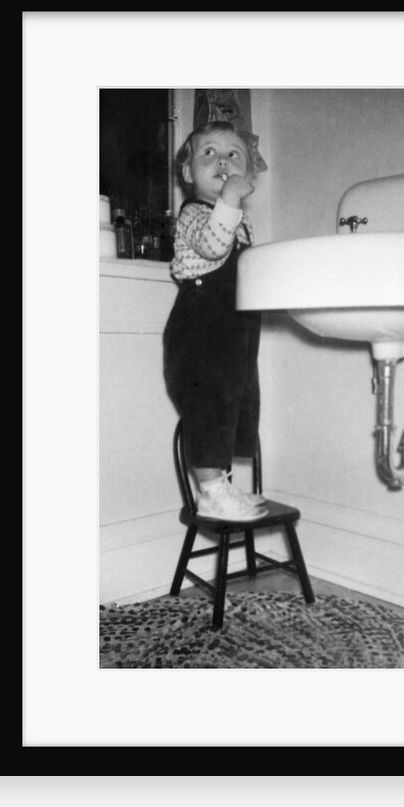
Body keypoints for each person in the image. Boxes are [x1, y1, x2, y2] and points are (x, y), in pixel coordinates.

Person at [163, 121, 267, 521]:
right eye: (209, 152)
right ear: (188, 174)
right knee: (206, 403)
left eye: (233, 154)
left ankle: (221, 485)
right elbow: (212, 245)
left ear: (248, 173)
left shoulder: (240, 222)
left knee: (232, 403)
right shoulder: (193, 214)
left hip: (233, 330)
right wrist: (229, 200)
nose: (222, 159)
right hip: (200, 330)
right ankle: (210, 491)